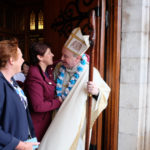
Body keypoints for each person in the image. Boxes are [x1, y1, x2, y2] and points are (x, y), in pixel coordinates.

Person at [39, 27, 110, 150]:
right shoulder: (58, 68)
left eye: (65, 56)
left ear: (77, 58)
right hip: (57, 115)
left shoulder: (90, 72)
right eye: (62, 54)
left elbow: (105, 93)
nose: (61, 58)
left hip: (76, 119)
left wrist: (96, 92)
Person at [0, 39, 39, 150]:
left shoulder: (12, 81)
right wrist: (19, 145)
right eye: (21, 57)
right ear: (11, 60)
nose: (23, 60)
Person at [24, 42, 62, 141]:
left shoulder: (46, 69)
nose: (52, 55)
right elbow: (38, 106)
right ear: (40, 57)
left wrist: (67, 59)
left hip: (46, 121)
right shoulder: (34, 76)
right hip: (37, 125)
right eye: (49, 53)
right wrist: (58, 102)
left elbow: (57, 62)